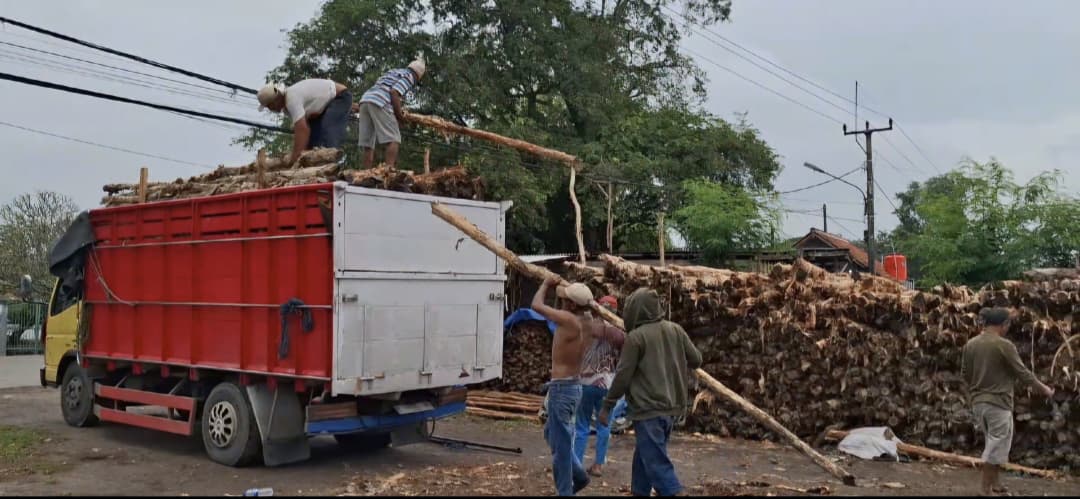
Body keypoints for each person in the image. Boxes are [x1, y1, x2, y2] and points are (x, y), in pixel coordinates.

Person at [599, 287, 702, 497]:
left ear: (636, 310)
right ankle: (640, 492)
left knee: (655, 460)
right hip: (672, 407)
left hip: (648, 408)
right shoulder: (676, 330)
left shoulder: (636, 338)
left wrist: (607, 406)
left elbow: (623, 376)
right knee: (645, 454)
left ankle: (674, 492)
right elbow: (696, 360)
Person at [962, 307, 1054, 496]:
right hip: (998, 402)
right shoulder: (1004, 345)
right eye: (1008, 324)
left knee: (994, 442)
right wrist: (1044, 389)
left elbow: (965, 374)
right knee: (996, 445)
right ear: (1003, 325)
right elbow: (1022, 373)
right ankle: (984, 489)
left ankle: (995, 484)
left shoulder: (970, 344)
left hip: (979, 402)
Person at [531, 276, 594, 496]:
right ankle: (580, 475)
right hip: (573, 386)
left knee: (561, 450)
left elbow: (536, 305)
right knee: (552, 435)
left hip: (562, 389)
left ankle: (565, 491)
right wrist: (566, 288)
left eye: (567, 300)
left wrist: (546, 283)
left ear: (572, 305)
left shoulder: (569, 321)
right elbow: (573, 299)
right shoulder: (588, 320)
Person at [573, 295, 626, 478]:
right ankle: (597, 465)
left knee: (581, 426)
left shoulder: (587, 326)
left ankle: (577, 464)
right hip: (607, 385)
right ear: (615, 309)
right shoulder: (619, 331)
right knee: (604, 425)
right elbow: (623, 357)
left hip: (585, 382)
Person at [256, 78, 353, 165]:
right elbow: (305, 127)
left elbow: (302, 130)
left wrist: (294, 158)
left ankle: (328, 168)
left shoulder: (291, 99)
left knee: (327, 136)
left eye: (269, 106)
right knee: (313, 146)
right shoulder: (287, 107)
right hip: (323, 109)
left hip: (339, 97)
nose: (270, 109)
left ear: (274, 101)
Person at [357, 60, 425, 169]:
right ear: (418, 75)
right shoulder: (409, 76)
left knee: (368, 143)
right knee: (394, 139)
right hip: (380, 101)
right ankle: (388, 172)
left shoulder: (394, 71)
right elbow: (394, 92)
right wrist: (399, 117)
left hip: (365, 100)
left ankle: (365, 173)